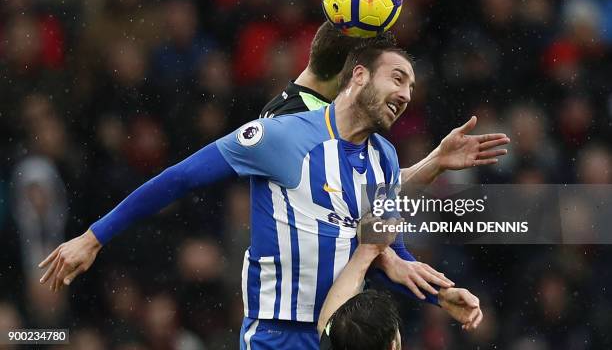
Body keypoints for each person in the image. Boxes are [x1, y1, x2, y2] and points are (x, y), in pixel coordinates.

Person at [39, 43, 476, 349]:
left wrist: (442, 296)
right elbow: (180, 178)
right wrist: (94, 238)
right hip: (277, 335)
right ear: (358, 75)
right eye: (397, 79)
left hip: (344, 338)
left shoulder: (384, 156)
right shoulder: (280, 138)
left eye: (412, 88)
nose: (405, 94)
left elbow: (386, 255)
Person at [260, 22, 510, 189]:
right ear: (353, 73)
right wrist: (387, 257)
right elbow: (342, 204)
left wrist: (434, 162)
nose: (404, 97)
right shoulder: (291, 119)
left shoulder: (325, 115)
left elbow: (370, 193)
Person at [317, 216, 483, 350]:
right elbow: (327, 323)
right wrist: (441, 295)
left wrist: (368, 249)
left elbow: (327, 320)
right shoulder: (330, 335)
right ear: (393, 346)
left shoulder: (331, 335)